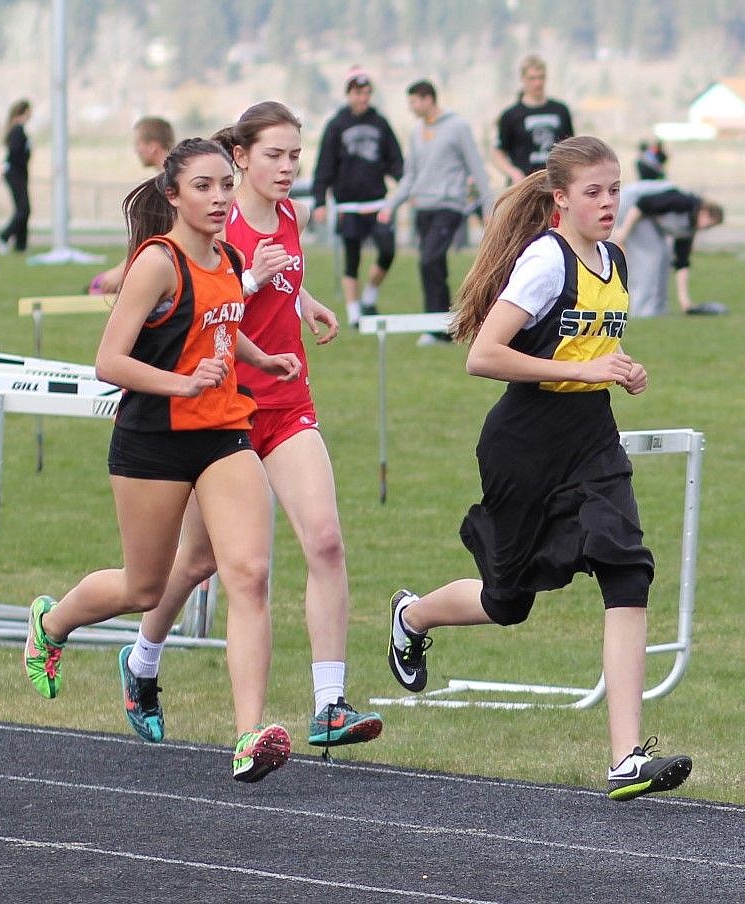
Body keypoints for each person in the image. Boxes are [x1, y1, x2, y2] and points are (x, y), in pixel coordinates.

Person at [385, 135, 692, 802]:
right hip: (523, 443)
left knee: (627, 564)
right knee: (507, 601)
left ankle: (625, 757)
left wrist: (622, 365)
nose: (609, 202)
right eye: (594, 192)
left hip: (591, 437)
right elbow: (484, 355)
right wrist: (582, 369)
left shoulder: (612, 258)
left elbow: (589, 337)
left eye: (615, 189)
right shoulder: (544, 261)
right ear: (560, 199)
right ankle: (413, 618)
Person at [22, 138, 303, 783]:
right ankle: (54, 621)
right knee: (144, 586)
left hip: (224, 432)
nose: (219, 198)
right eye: (203, 187)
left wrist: (262, 361)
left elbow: (224, 326)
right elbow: (109, 362)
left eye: (226, 186)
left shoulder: (230, 257)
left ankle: (249, 732)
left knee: (250, 574)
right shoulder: (157, 262)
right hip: (153, 438)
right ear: (173, 195)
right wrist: (183, 384)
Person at [126, 102, 384, 757]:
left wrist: (306, 299)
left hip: (288, 403)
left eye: (296, 155)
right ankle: (143, 662)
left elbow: (281, 281)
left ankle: (329, 703)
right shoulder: (218, 221)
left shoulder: (290, 213)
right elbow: (200, 301)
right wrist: (254, 275)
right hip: (224, 414)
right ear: (240, 158)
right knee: (197, 562)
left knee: (325, 540)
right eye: (275, 155)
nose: (289, 167)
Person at [378, 80, 495, 346]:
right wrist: (391, 205)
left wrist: (488, 206)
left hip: (449, 205)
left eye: (415, 102)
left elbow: (476, 167)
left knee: (430, 260)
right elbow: (410, 176)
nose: (412, 108)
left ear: (429, 99)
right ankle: (443, 326)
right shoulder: (416, 131)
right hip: (423, 207)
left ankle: (437, 330)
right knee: (432, 265)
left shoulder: (458, 127)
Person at [311, 67, 404, 328]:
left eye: (366, 92)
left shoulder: (380, 123)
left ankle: (370, 296)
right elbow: (325, 166)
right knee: (352, 259)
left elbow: (395, 161)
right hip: (348, 205)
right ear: (348, 94)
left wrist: (405, 186)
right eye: (357, 92)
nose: (362, 98)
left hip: (377, 202)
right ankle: (354, 314)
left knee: (387, 250)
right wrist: (320, 200)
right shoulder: (336, 125)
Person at [89, 116, 177, 294]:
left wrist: (119, 273)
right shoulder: (171, 178)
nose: (136, 150)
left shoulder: (168, 185)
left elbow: (158, 239)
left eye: (138, 144)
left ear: (152, 146)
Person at [611, 183, 724, 316]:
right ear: (704, 211)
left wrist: (684, 300)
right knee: (651, 257)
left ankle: (658, 310)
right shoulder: (682, 201)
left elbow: (681, 262)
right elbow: (643, 204)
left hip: (644, 214)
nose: (707, 227)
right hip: (630, 205)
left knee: (664, 255)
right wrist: (624, 231)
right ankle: (642, 311)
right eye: (709, 222)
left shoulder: (689, 228)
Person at [492, 55, 574, 184]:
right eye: (532, 78)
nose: (538, 83)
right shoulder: (511, 115)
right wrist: (513, 173)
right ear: (523, 79)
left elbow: (571, 147)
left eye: (541, 77)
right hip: (525, 184)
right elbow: (498, 153)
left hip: (555, 181)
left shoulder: (561, 110)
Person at [0, 99, 32, 254]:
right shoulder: (17, 130)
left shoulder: (18, 129)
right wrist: (6, 166)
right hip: (15, 173)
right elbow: (14, 153)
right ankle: (3, 237)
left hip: (19, 173)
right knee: (24, 209)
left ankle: (21, 246)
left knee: (23, 209)